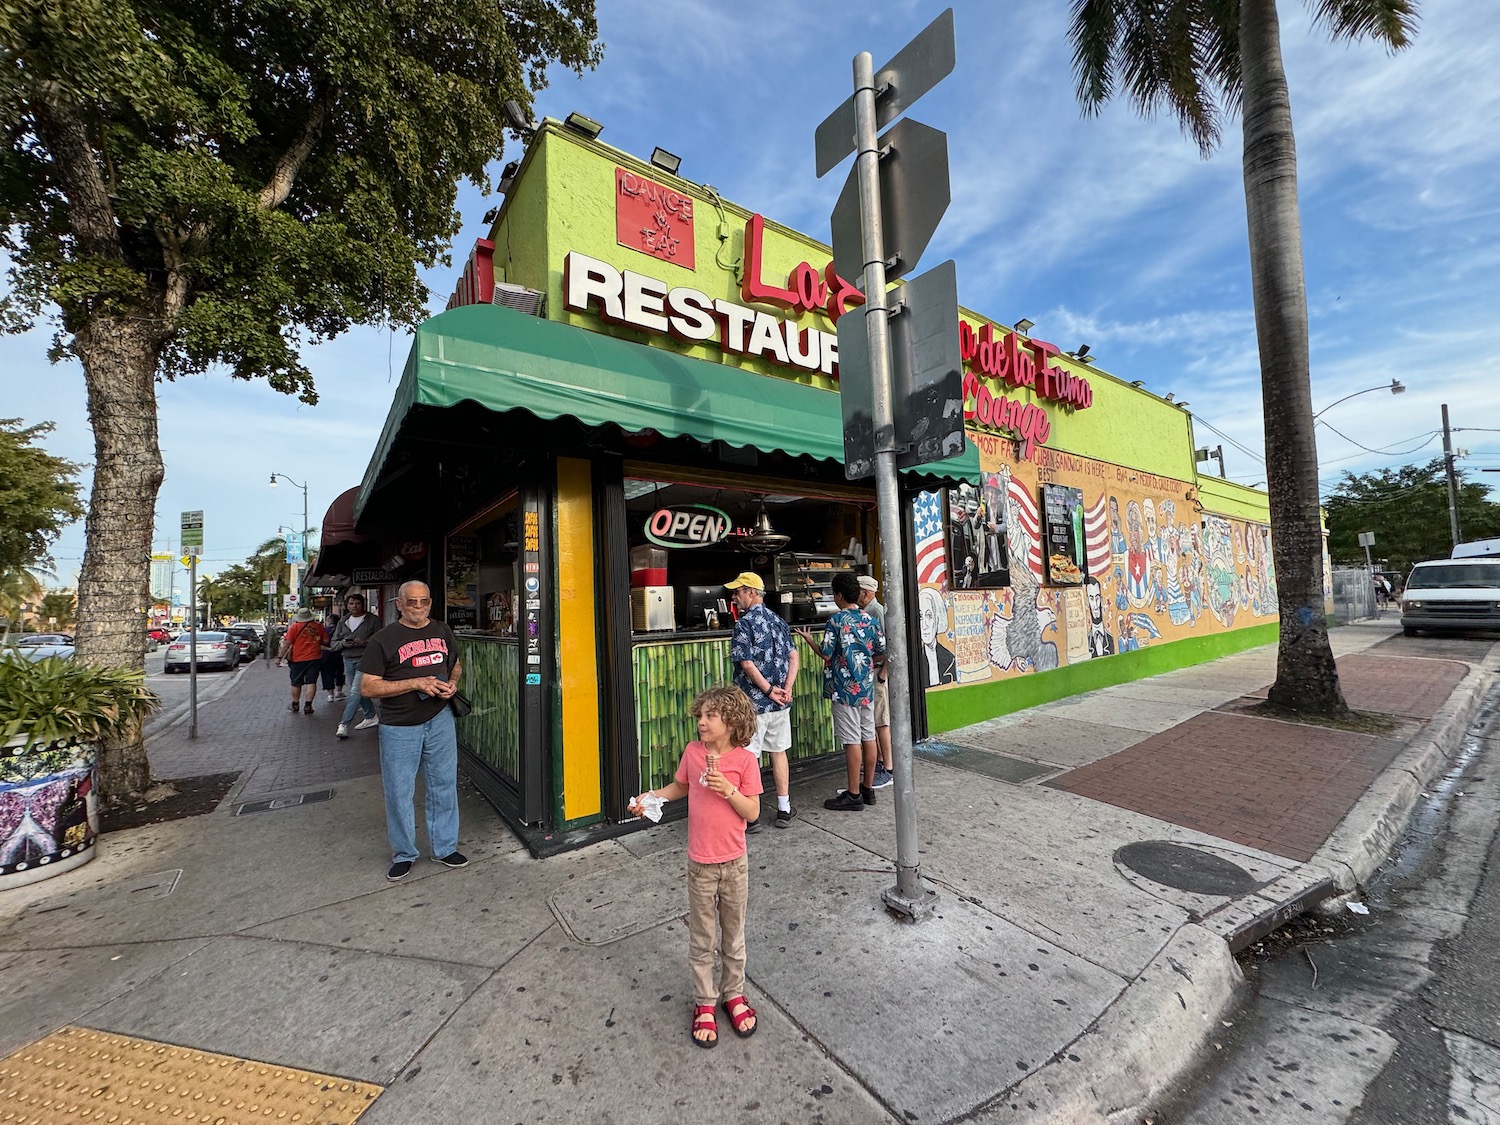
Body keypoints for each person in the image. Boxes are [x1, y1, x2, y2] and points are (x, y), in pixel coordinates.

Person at [629, 685, 763, 1048]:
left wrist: (728, 791)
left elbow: (753, 812)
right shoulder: (693, 753)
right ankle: (705, 1001)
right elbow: (679, 787)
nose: (701, 722)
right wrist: (651, 798)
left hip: (734, 863)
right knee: (703, 938)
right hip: (700, 864)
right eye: (700, 716)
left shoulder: (745, 761)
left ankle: (733, 993)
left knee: (733, 935)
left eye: (710, 716)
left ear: (732, 721)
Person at [358, 580, 466, 881]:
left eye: (424, 601)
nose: (418, 607)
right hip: (399, 725)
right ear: (400, 604)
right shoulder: (383, 639)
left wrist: (453, 683)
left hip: (439, 717)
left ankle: (445, 847)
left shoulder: (443, 630)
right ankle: (404, 853)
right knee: (399, 791)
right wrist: (415, 683)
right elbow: (368, 687)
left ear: (430, 603)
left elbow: (455, 663)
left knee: (444, 784)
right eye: (412, 601)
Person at [798, 571, 885, 812]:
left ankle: (853, 795)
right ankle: (867, 789)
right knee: (868, 735)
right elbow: (880, 651)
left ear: (838, 595)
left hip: (844, 690)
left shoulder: (836, 621)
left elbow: (826, 653)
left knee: (851, 741)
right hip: (866, 686)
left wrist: (808, 640)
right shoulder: (869, 619)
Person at [725, 571, 798, 830]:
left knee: (748, 757)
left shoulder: (744, 624)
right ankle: (784, 808)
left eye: (738, 592)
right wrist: (785, 689)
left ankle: (751, 816)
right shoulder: (778, 620)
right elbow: (794, 657)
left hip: (753, 704)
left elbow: (746, 663)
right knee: (778, 752)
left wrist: (768, 691)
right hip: (779, 703)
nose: (734, 597)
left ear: (752, 593)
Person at [855, 575, 893, 789]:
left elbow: (890, 644)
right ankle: (880, 763)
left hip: (878, 672)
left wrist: (883, 673)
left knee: (881, 722)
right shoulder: (867, 612)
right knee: (875, 722)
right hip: (873, 672)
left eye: (859, 591)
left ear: (867, 593)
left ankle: (888, 768)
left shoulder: (874, 612)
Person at [330, 593, 382, 739]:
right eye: (351, 604)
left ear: (363, 604)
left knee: (354, 691)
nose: (354, 606)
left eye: (357, 603)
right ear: (347, 605)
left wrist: (364, 642)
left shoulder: (372, 620)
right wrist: (343, 643)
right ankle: (370, 715)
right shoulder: (343, 621)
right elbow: (333, 643)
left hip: (365, 659)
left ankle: (344, 724)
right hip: (348, 659)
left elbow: (381, 639)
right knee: (360, 691)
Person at [276, 608, 328, 714]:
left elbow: (287, 643)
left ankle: (295, 704)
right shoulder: (319, 626)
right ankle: (308, 706)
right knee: (311, 682)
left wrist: (280, 657)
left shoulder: (294, 627)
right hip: (315, 658)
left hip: (297, 659)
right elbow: (326, 640)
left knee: (296, 683)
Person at [319, 611, 346, 702]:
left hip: (325, 655)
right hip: (338, 653)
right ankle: (339, 691)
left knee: (327, 673)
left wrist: (327, 649)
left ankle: (330, 695)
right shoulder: (340, 630)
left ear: (328, 621)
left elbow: (317, 644)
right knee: (339, 671)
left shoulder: (323, 631)